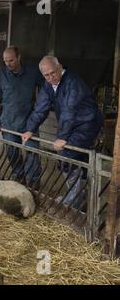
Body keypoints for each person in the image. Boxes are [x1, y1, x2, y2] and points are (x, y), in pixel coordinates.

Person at [22, 56, 104, 207]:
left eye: (53, 72)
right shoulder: (48, 85)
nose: (51, 77)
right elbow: (41, 107)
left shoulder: (73, 82)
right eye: (46, 75)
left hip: (87, 123)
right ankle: (81, 195)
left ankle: (74, 199)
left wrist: (62, 137)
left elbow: (69, 110)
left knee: (66, 155)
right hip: (72, 124)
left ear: (59, 67)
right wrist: (30, 129)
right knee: (80, 160)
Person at [0, 46, 43, 185]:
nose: (8, 64)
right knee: (12, 152)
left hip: (29, 121)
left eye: (11, 60)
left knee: (32, 152)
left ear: (19, 57)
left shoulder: (32, 72)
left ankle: (33, 182)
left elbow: (45, 90)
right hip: (9, 120)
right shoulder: (0, 74)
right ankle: (19, 177)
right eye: (5, 61)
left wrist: (39, 109)